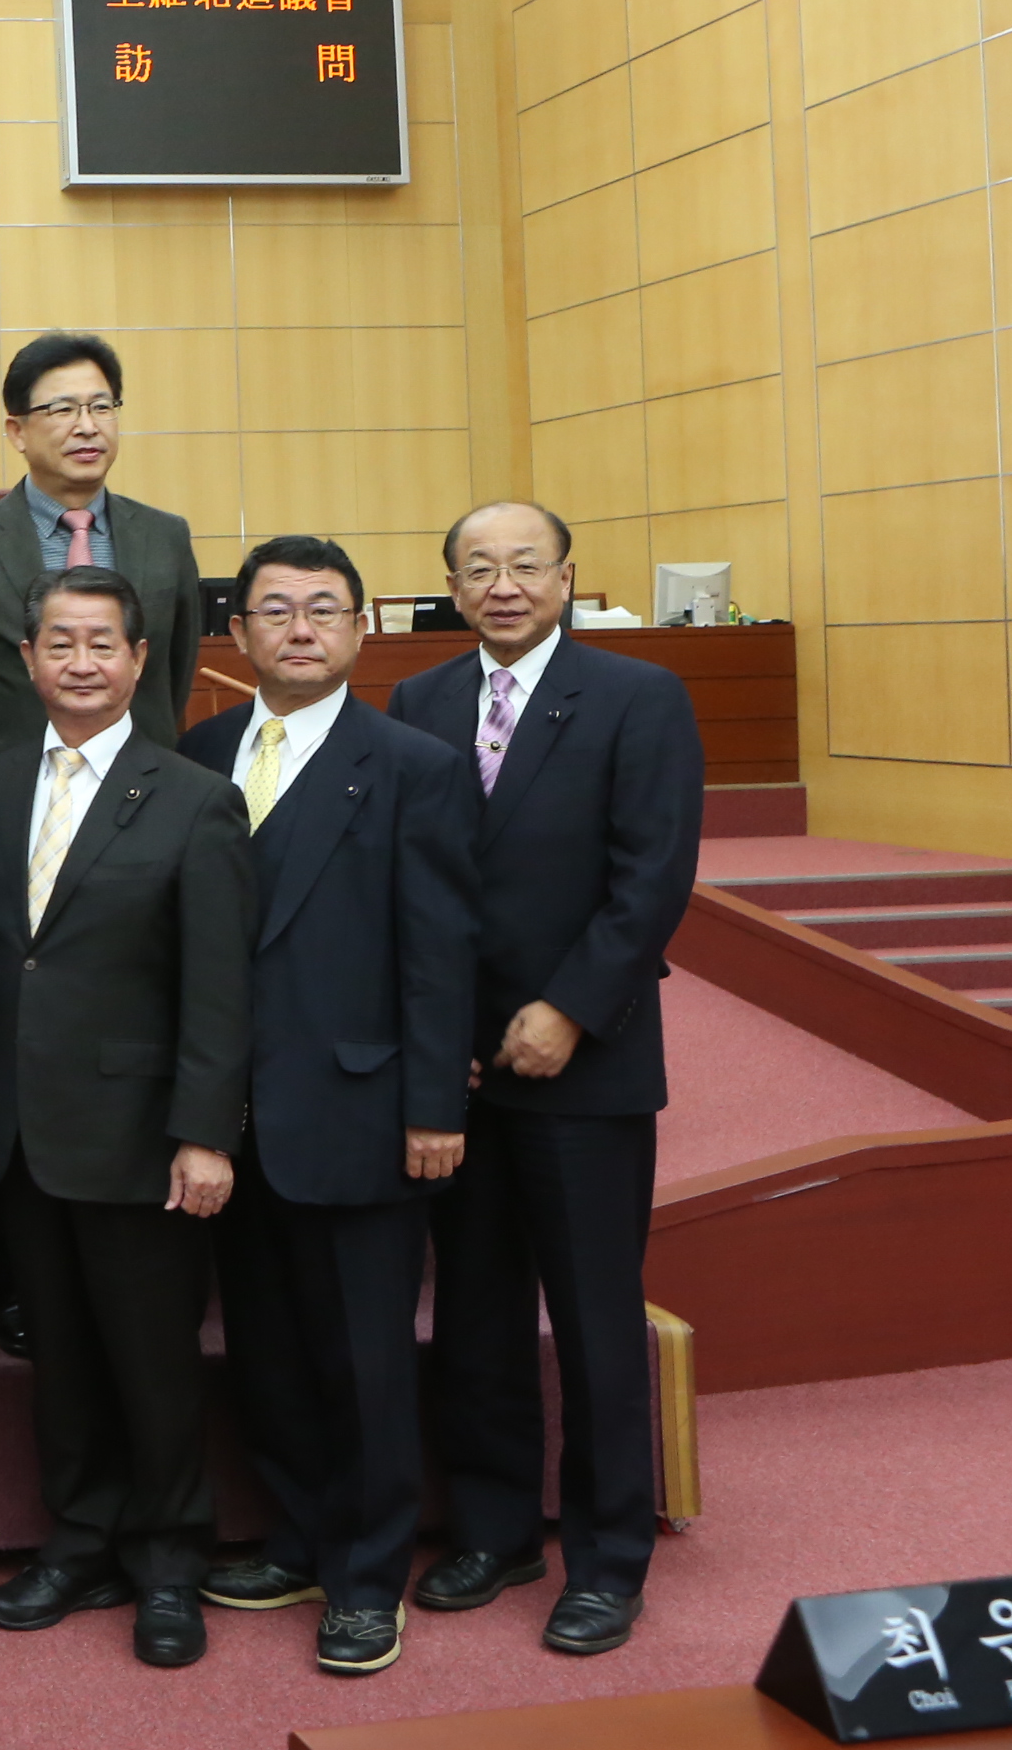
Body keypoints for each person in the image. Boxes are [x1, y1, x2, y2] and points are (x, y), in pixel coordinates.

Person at [387, 503, 700, 1659]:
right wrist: (439, 1037)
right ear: (450, 587)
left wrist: (568, 1009)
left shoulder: (639, 697)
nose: (504, 585)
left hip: (587, 1064)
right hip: (459, 1070)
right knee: (472, 1314)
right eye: (479, 567)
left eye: (526, 565)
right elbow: (411, 883)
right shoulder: (417, 703)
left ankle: (609, 1559)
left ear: (569, 576)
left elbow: (654, 874)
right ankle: (494, 1527)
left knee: (596, 1320)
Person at [179, 537, 478, 1678]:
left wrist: (435, 1104)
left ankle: (366, 1578)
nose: (299, 629)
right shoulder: (203, 751)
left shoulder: (413, 765)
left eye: (322, 610)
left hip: (361, 1110)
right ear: (238, 635)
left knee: (364, 1359)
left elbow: (440, 955)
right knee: (265, 1349)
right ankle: (300, 1539)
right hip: (235, 1120)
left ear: (360, 631)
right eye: (275, 611)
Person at [0, 566, 253, 1669]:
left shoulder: (192, 796)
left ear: (138, 661)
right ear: (26, 660)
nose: (80, 662)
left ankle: (169, 1561)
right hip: (21, 1131)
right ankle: (77, 1542)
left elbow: (219, 987)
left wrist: (207, 1131)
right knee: (63, 1357)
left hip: (144, 1138)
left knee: (153, 1361)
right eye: (59, 643)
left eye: (102, 645)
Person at [0, 331, 204, 770]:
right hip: (13, 792)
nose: (87, 426)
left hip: (142, 790)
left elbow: (172, 675)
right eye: (63, 409)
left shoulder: (165, 537)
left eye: (102, 407)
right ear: (17, 431)